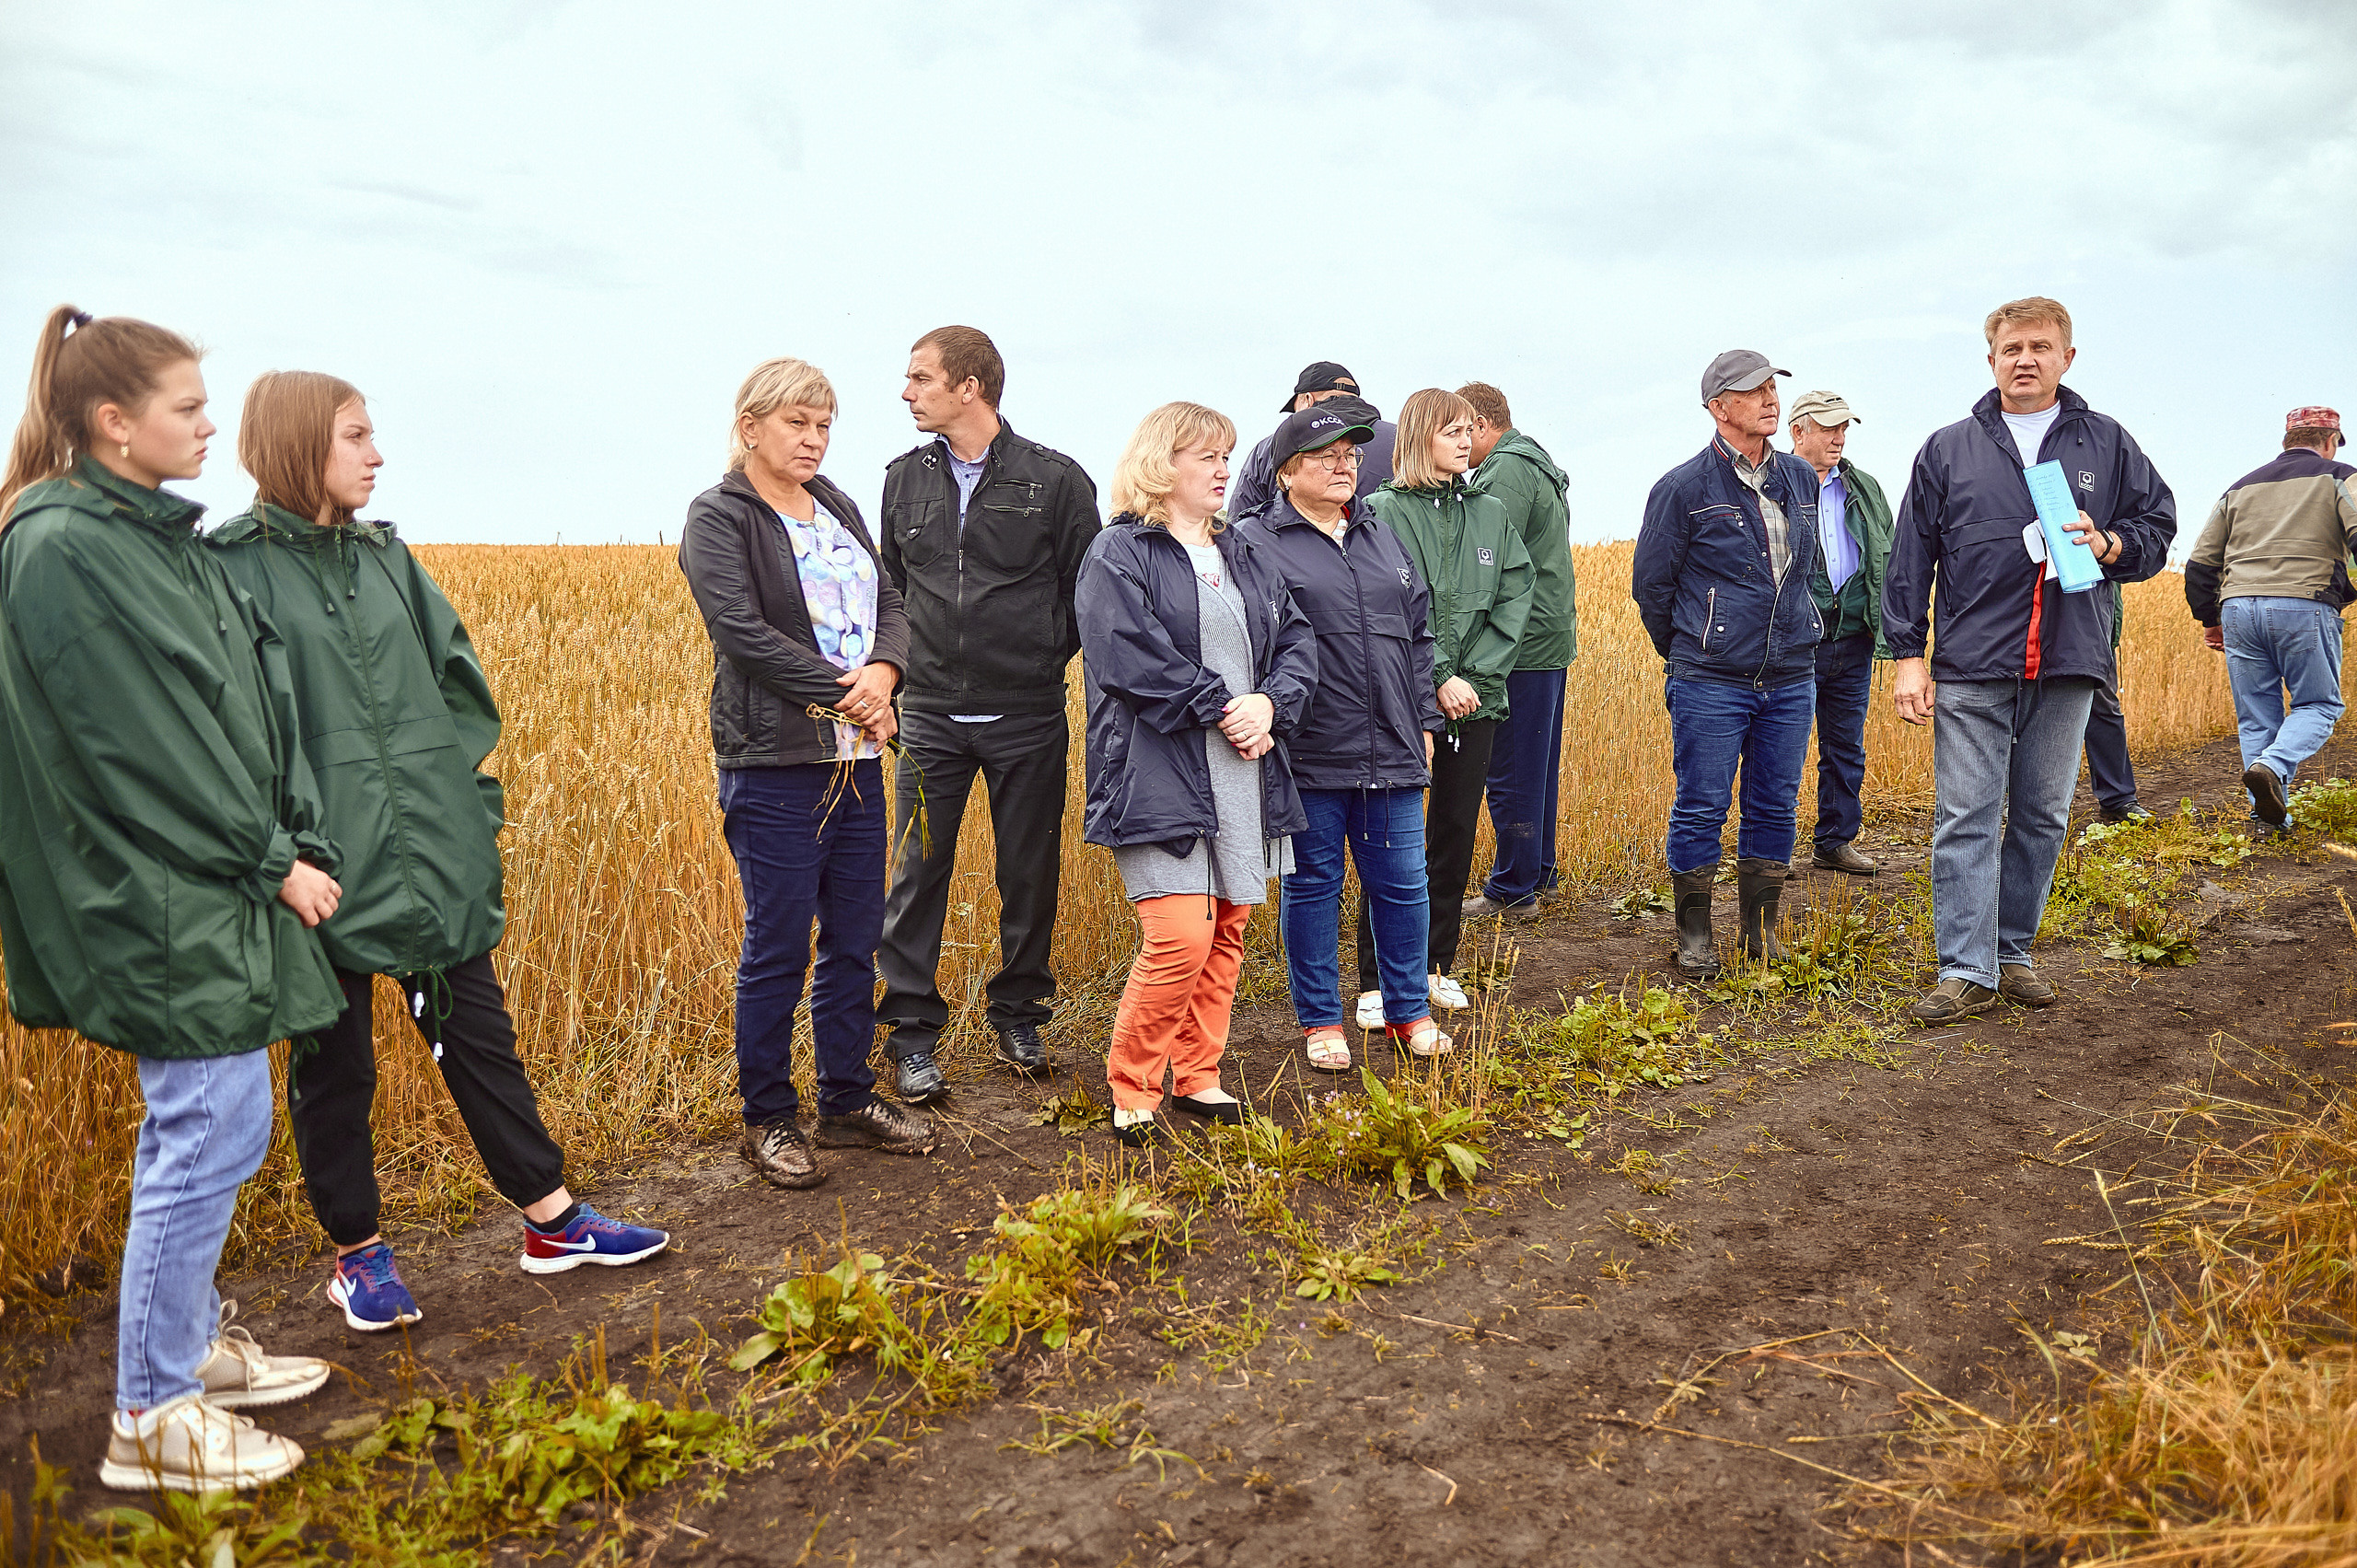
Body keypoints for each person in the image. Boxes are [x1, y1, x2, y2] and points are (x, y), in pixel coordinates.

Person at [211, 372, 669, 1332]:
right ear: (298, 441)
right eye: (355, 435)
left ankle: (550, 1217)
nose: (376, 454)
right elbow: (223, 726)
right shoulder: (231, 568)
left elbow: (457, 683)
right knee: (334, 1062)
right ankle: (357, 1254)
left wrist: (463, 805)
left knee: (477, 1032)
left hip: (425, 849)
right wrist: (284, 844)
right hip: (318, 866)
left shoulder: (385, 557)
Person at [0, 307, 336, 1491]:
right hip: (155, 887)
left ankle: (185, 1347)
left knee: (220, 1116)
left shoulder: (140, 533)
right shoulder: (64, 547)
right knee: (205, 1125)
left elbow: (219, 704)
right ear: (112, 422)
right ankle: (152, 1411)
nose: (208, 426)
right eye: (188, 408)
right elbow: (143, 749)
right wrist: (271, 856)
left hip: (190, 879)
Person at [1884, 297, 2177, 1023]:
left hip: (2071, 658)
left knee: (2043, 815)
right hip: (1973, 661)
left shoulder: (2107, 444)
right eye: (2011, 347)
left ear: (2066, 358)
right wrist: (1906, 656)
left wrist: (2108, 544)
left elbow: (2157, 526)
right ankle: (1964, 967)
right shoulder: (1948, 448)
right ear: (1991, 360)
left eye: (2040, 347)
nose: (2025, 359)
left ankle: (2010, 951)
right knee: (1966, 814)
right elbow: (1911, 556)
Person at [679, 356, 932, 1190]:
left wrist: (886, 675)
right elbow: (742, 634)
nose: (815, 439)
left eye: (824, 425)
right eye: (797, 423)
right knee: (779, 943)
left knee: (857, 940)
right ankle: (767, 1117)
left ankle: (849, 1099)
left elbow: (889, 600)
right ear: (750, 425)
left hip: (857, 765)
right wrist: (851, 695)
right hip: (776, 761)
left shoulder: (837, 505)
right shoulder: (719, 516)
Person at [1075, 403, 1316, 1145]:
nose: (1222, 470)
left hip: (1245, 764)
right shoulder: (1119, 552)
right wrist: (1224, 705)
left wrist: (1271, 703)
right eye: (1205, 456)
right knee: (1179, 934)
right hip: (1158, 767)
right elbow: (1127, 657)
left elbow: (1298, 639)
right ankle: (1134, 1083)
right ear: (1160, 463)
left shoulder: (1244, 550)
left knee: (1228, 929)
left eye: (1227, 456)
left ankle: (1199, 1073)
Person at [876, 326, 1101, 1102]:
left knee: (1029, 874)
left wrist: (1038, 659)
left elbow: (1089, 595)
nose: (907, 392)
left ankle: (1019, 1015)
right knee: (915, 876)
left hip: (1028, 717)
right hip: (929, 719)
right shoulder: (902, 480)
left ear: (969, 385)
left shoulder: (1056, 480)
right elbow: (892, 592)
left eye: (920, 378)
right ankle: (910, 1037)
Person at [1234, 404, 1449, 1068]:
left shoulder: (1380, 534)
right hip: (1307, 751)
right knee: (1314, 884)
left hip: (1391, 745)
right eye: (1326, 455)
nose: (1344, 464)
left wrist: (1425, 719)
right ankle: (1321, 1020)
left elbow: (1418, 636)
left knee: (1404, 884)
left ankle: (1407, 1010)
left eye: (1352, 454)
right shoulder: (1253, 540)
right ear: (1287, 470)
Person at [1632, 351, 1825, 981]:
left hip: (1791, 675)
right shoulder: (1683, 488)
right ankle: (1694, 935)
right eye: (1753, 391)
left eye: (1773, 388)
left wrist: (1804, 629)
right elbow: (1652, 589)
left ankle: (1760, 932)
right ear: (1718, 407)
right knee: (1702, 805)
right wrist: (1696, 648)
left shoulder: (1798, 478)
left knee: (1775, 803)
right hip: (1711, 681)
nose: (1770, 400)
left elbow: (1811, 570)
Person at [1356, 389, 1532, 1023]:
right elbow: (1377, 608)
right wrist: (1435, 677)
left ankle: (1435, 965)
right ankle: (1376, 978)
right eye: (1453, 431)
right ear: (1420, 437)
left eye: (1471, 431)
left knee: (1453, 833)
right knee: (1389, 840)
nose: (1466, 440)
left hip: (1473, 703)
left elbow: (1515, 596)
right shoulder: (1378, 512)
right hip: (1397, 704)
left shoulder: (1491, 513)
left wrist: (1471, 679)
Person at [2184, 406, 2357, 831]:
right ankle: (2272, 765)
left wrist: (2211, 618)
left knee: (2257, 716)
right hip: (2305, 601)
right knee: (2319, 705)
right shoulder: (2341, 476)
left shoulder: (2240, 488)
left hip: (2238, 608)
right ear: (2330, 440)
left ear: (2288, 441)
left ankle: (2265, 818)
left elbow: (2200, 564)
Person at [1456, 381, 1575, 923]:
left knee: (1510, 769)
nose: (1459, 445)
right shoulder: (1536, 461)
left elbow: (1487, 561)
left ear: (1482, 424)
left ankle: (1513, 886)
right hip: (1546, 636)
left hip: (1520, 642)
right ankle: (1538, 870)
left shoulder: (1504, 471)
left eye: (1462, 430)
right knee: (1538, 763)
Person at [1787, 390, 1897, 876]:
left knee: (1845, 746)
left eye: (1844, 428)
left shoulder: (1864, 487)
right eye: (1828, 427)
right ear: (1798, 432)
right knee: (1782, 745)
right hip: (1793, 642)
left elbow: (1887, 557)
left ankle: (1835, 841)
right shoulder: (1774, 484)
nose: (1838, 437)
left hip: (1853, 638)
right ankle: (1770, 849)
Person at [1227, 362, 1398, 518]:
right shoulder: (1400, 439)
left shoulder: (1269, 448)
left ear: (1307, 400)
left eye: (1351, 455)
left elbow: (1239, 522)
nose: (1344, 467)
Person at [2080, 585, 2151, 822]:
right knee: (2027, 709)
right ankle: (2011, 797)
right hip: (2034, 626)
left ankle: (2117, 799)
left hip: (2097, 628)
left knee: (2105, 709)